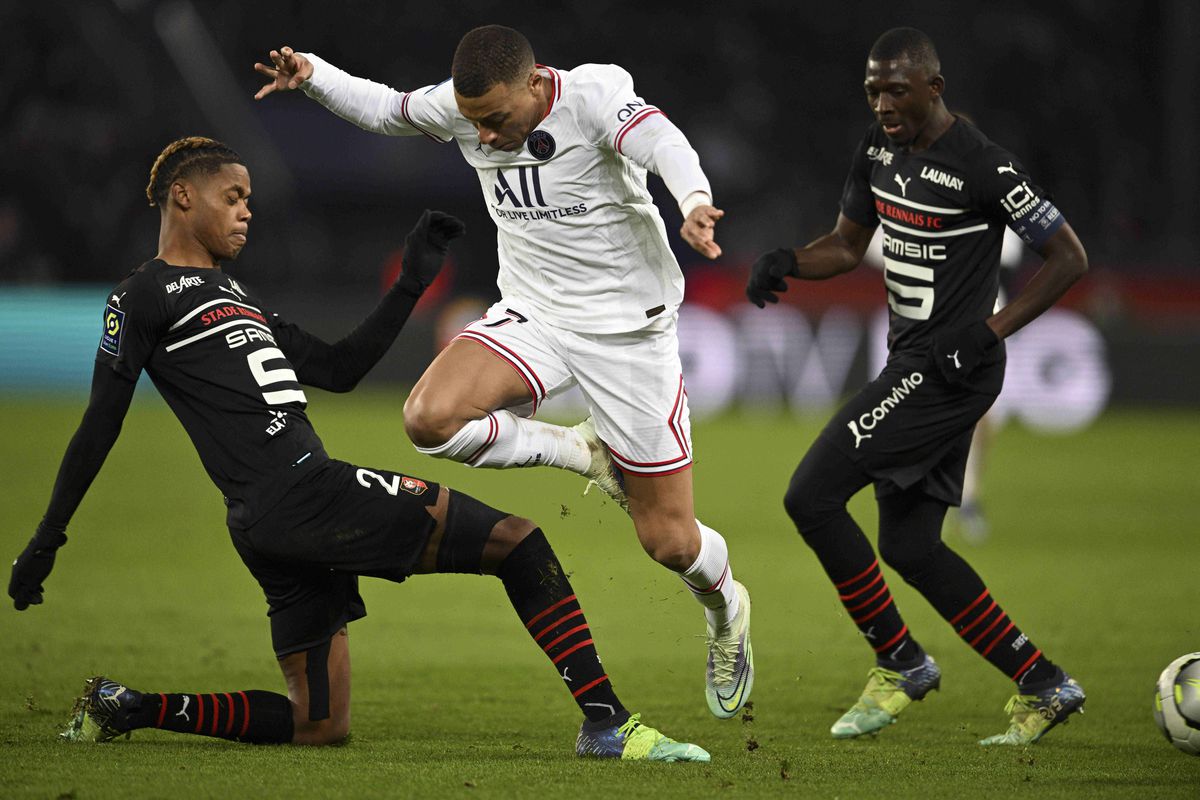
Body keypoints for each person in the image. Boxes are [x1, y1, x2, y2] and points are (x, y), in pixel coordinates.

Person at [7, 136, 709, 762]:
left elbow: (340, 369)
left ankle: (129, 706)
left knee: (320, 725)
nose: (247, 211)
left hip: (267, 522)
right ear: (182, 197)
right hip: (306, 494)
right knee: (518, 545)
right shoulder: (144, 295)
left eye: (249, 198)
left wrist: (410, 281)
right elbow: (103, 418)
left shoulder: (238, 299)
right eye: (233, 196)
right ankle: (606, 724)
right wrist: (48, 537)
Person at [253, 25, 753, 719]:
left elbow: (663, 141)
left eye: (496, 120)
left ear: (535, 84)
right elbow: (387, 109)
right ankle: (582, 451)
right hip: (535, 316)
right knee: (428, 419)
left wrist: (694, 202)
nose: (483, 137)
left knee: (668, 541)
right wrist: (312, 75)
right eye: (474, 122)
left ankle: (727, 609)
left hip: (627, 334)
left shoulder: (593, 96)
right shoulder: (467, 108)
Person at [746, 28, 1089, 746]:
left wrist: (991, 329)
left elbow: (1068, 257)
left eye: (897, 88)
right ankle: (1042, 681)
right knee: (909, 547)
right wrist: (787, 260)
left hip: (949, 369)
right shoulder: (877, 151)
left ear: (935, 86)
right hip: (918, 362)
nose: (883, 103)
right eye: (873, 89)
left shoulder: (985, 164)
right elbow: (845, 244)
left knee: (810, 495)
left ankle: (899, 660)